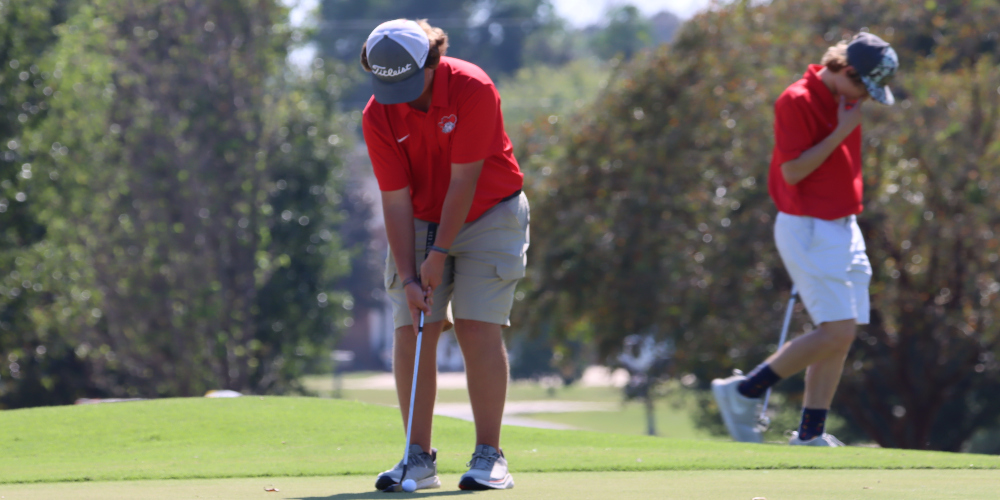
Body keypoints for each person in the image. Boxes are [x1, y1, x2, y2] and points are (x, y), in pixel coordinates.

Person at [360, 19, 527, 490]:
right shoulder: (377, 114)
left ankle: (490, 456)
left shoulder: (473, 88)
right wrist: (409, 277)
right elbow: (395, 201)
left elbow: (463, 182)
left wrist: (437, 255)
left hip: (489, 209)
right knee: (413, 327)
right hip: (417, 215)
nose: (399, 99)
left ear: (431, 62)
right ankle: (417, 458)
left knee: (476, 325)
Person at [712, 33, 899, 446]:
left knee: (841, 335)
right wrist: (841, 131)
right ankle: (744, 391)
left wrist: (844, 121)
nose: (865, 99)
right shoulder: (795, 100)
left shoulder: (844, 100)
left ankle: (810, 434)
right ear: (846, 70)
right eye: (864, 88)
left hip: (844, 225)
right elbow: (792, 172)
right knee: (836, 331)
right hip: (809, 226)